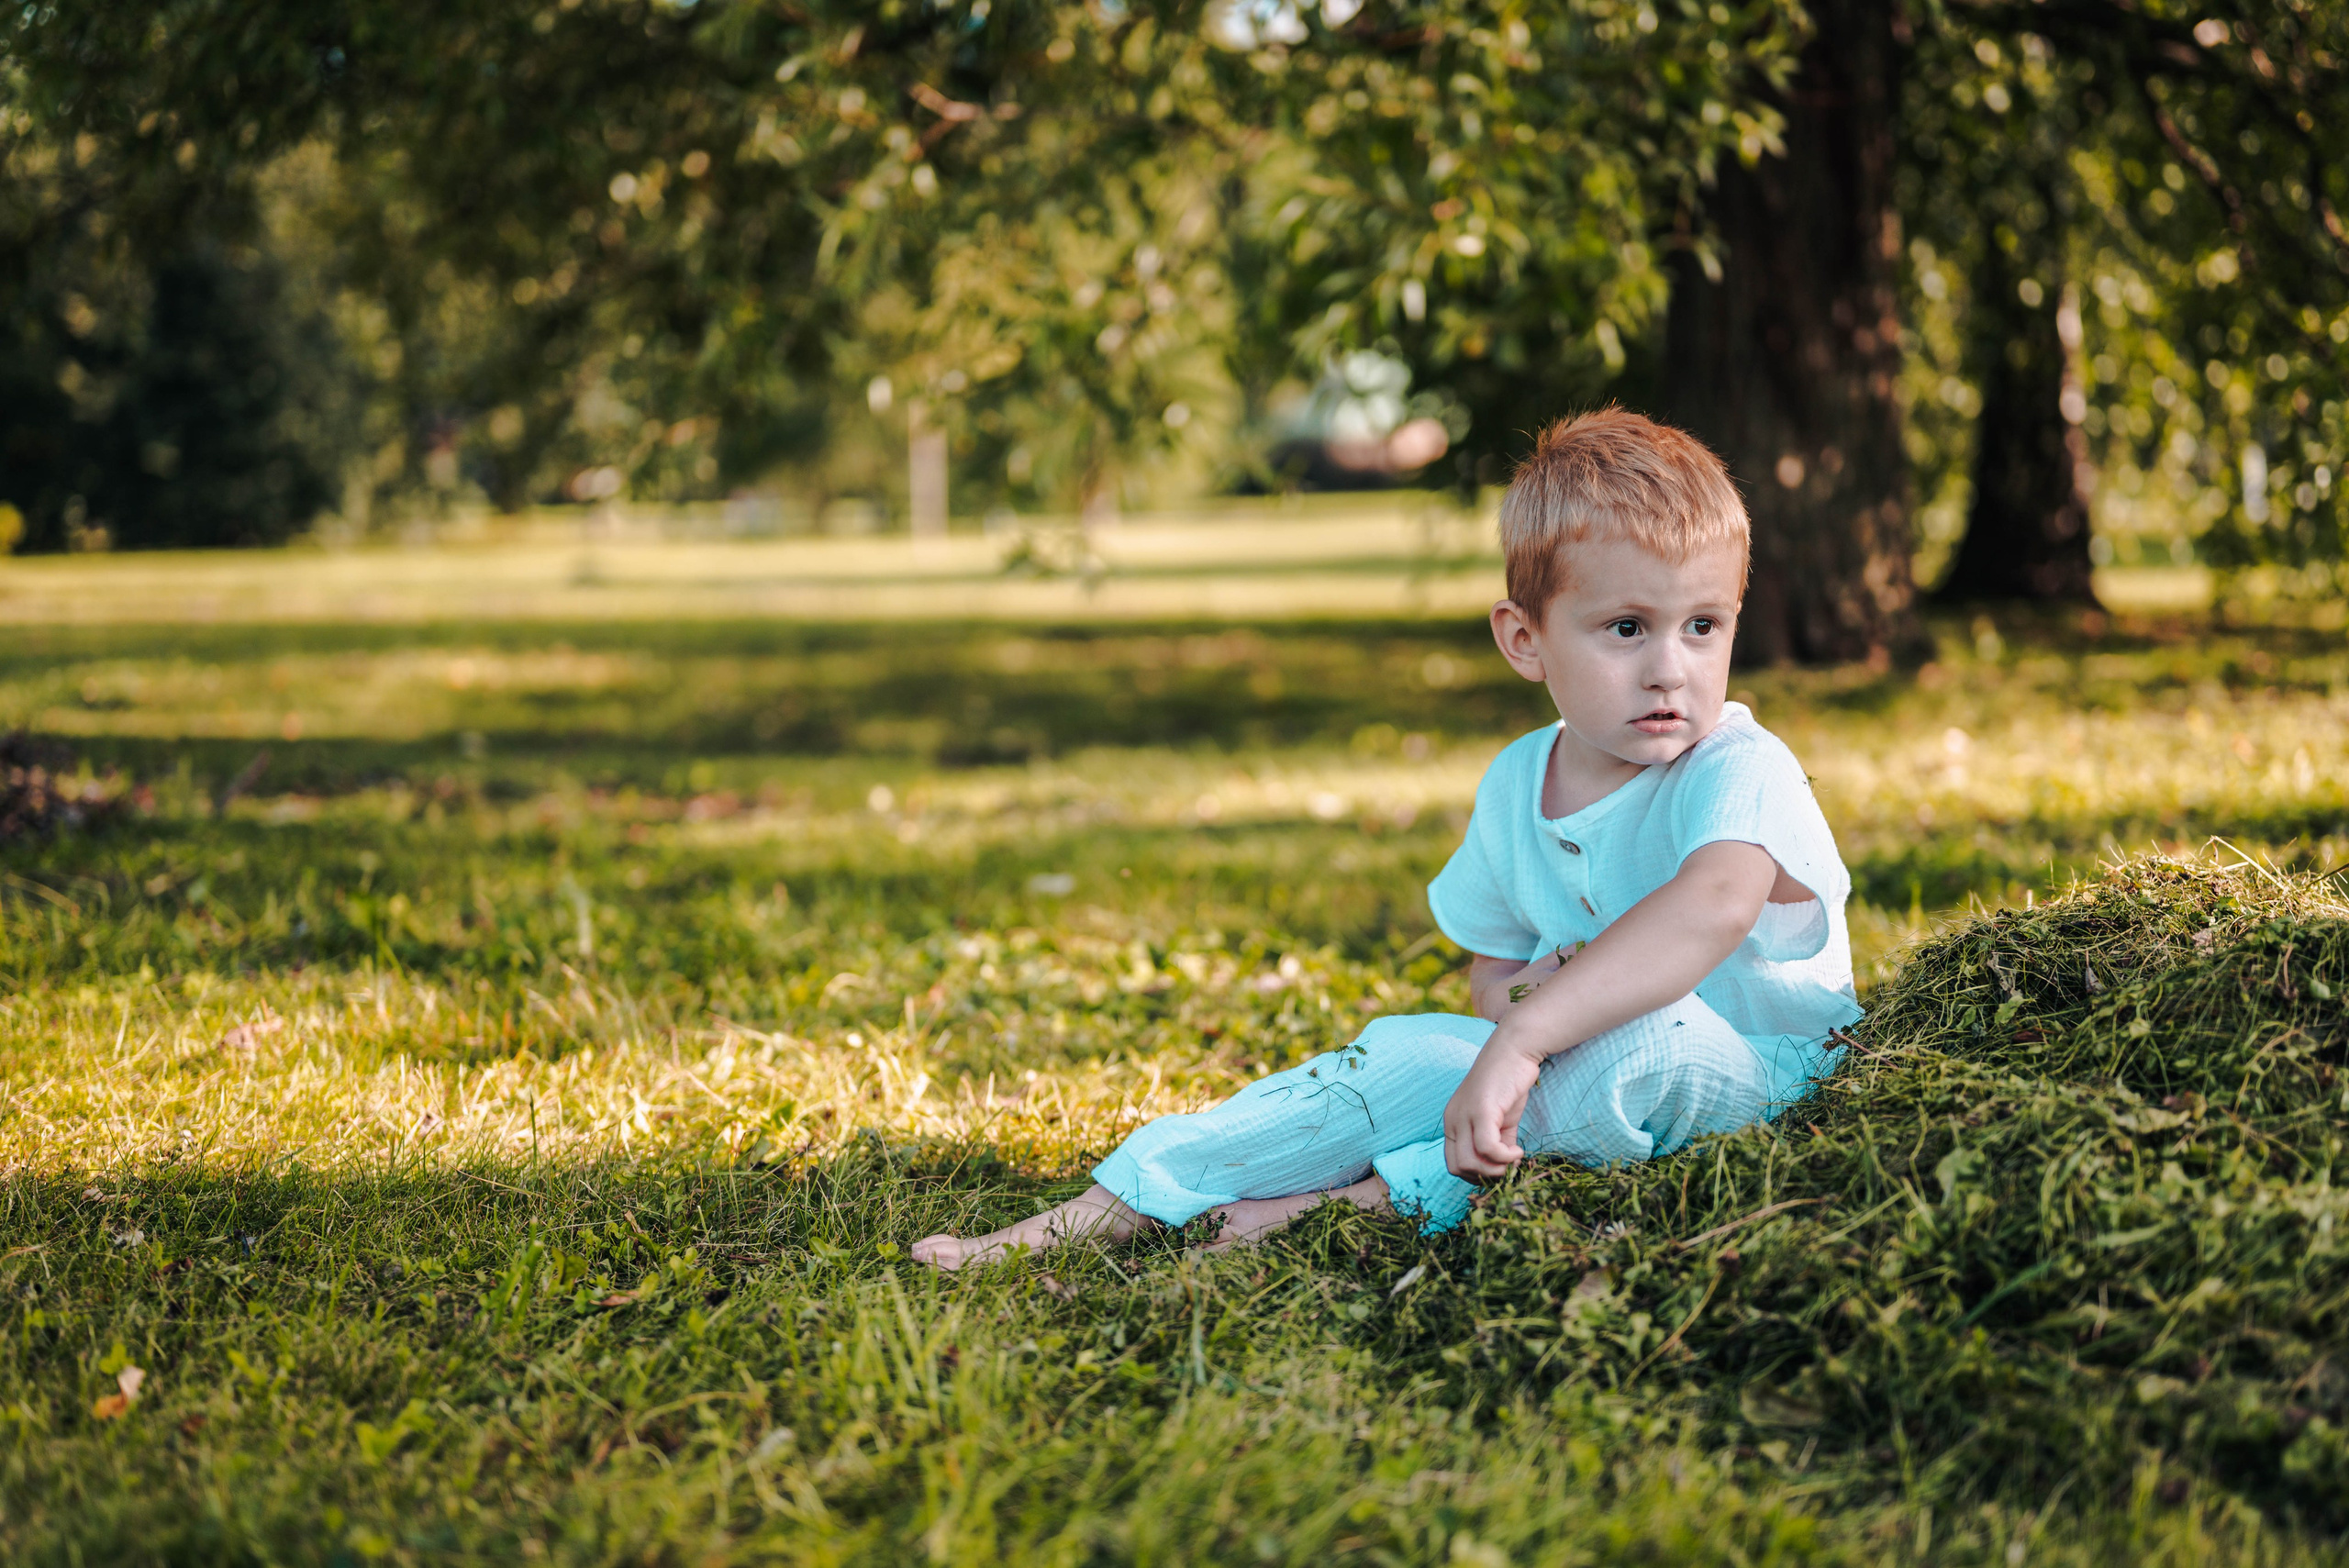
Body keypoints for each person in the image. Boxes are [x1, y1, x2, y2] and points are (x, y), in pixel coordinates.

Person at [912, 407, 1862, 1271]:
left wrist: (1532, 1028)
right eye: (1625, 626)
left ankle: (1367, 1203)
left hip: (1760, 1075)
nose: (1670, 667)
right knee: (1405, 1052)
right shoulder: (1515, 785)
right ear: (1524, 639)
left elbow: (1713, 907)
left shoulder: (1741, 765)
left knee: (1647, 1034)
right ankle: (1101, 1209)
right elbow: (1492, 975)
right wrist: (1521, 1000)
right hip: (1560, 1057)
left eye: (1703, 625)